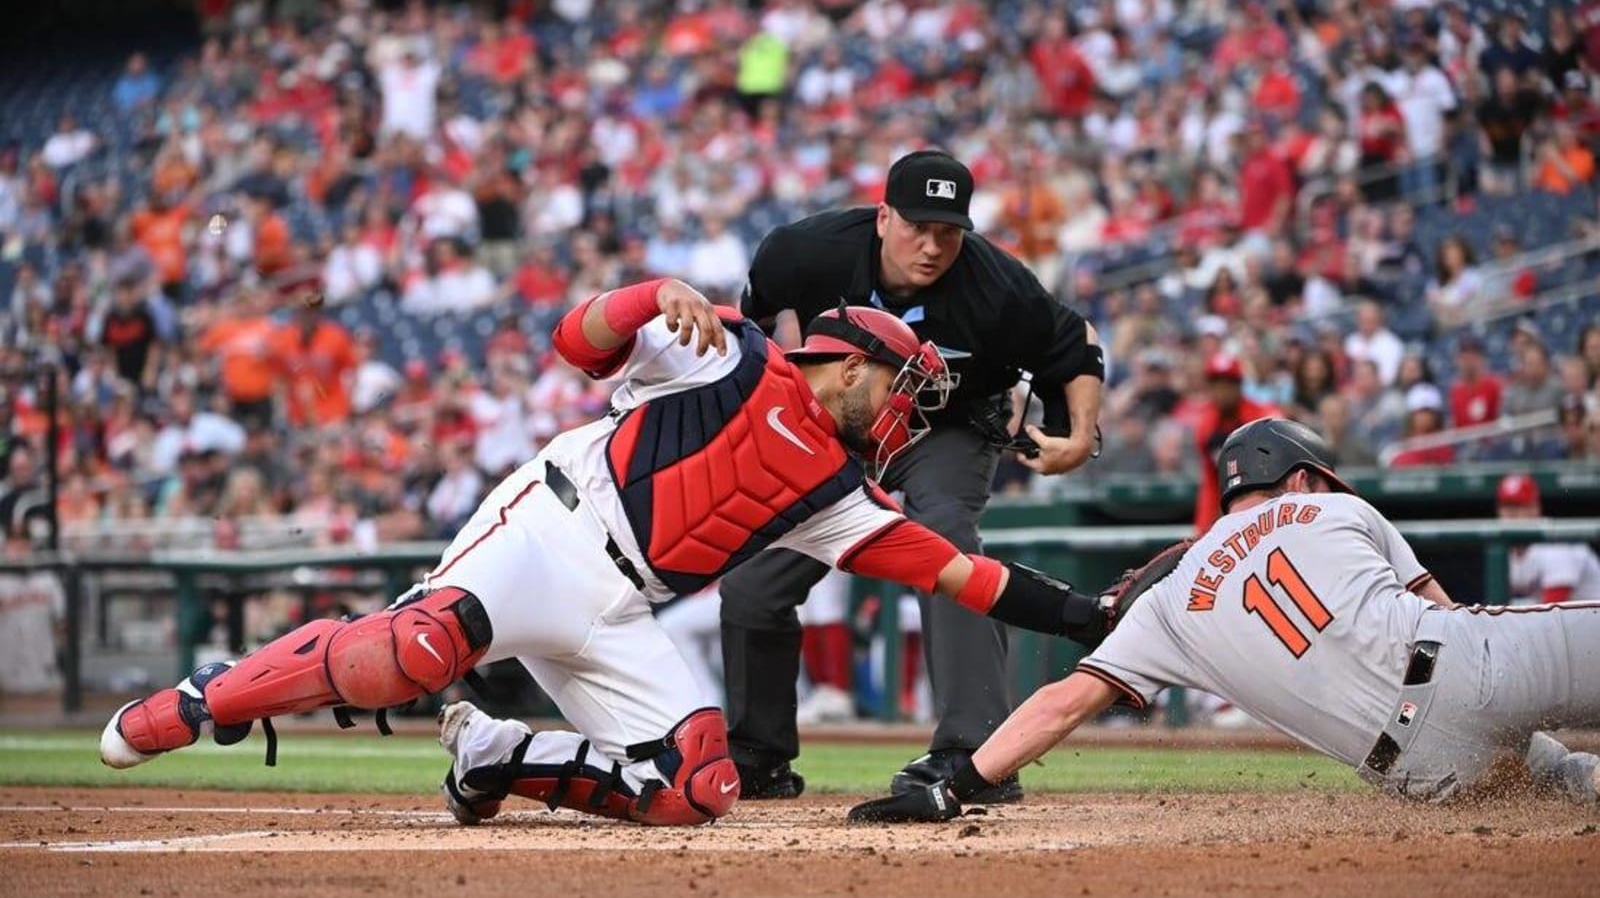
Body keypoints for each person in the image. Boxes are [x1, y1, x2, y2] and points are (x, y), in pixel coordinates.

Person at [100, 279, 1117, 828]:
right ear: (850, 362)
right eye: (903, 387)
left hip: (618, 612)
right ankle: (204, 699)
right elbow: (574, 341)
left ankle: (498, 754)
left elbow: (959, 575)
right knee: (411, 655)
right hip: (550, 533)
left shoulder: (837, 494)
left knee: (697, 790)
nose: (909, 411)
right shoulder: (730, 351)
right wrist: (642, 295)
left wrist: (1088, 619)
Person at [851, 419, 1600, 823]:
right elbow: (1440, 608)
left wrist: (961, 780)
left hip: (1418, 776)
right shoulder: (1335, 505)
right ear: (1301, 477)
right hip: (1459, 665)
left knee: (1556, 776)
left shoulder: (1171, 601)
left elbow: (1061, 703)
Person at [717, 150, 1104, 803]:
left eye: (947, 232)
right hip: (844, 428)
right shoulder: (806, 250)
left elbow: (1076, 343)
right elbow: (748, 329)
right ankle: (757, 754)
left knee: (944, 535)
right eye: (916, 228)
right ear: (882, 216)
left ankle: (976, 751)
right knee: (755, 579)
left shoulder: (997, 286)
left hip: (946, 428)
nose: (930, 247)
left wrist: (1082, 433)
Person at [1192, 353, 1280, 533]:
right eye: (1217, 385)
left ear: (1239, 386)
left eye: (1228, 384)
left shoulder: (1263, 417)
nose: (1222, 391)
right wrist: (1202, 528)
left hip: (1270, 505)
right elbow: (1211, 481)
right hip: (1232, 506)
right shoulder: (1206, 426)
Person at [1497, 473, 1600, 604]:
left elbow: (1553, 611)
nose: (1511, 514)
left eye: (1519, 506)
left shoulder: (1556, 542)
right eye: (1506, 506)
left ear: (1535, 508)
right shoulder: (1503, 549)